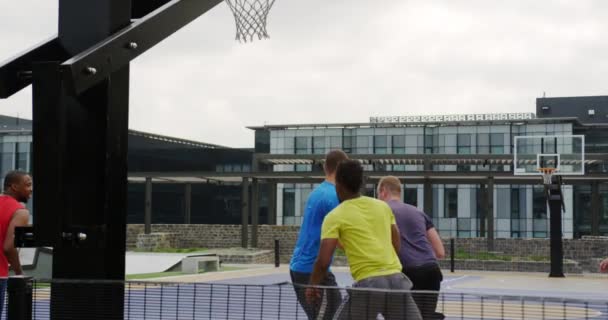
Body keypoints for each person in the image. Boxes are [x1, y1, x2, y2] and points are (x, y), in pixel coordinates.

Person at [306, 160, 422, 320]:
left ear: (338, 185)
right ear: (362, 183)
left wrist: (312, 285)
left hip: (369, 285)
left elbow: (323, 261)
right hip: (397, 281)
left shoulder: (334, 216)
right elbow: (396, 242)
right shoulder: (382, 207)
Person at [289, 150, 348, 320]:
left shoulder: (318, 192)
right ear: (342, 169)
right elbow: (340, 239)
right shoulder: (333, 197)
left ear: (325, 168)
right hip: (311, 270)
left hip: (309, 267)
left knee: (337, 314)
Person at [377, 176, 445, 320]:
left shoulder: (382, 210)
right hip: (431, 271)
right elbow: (440, 252)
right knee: (425, 316)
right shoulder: (419, 212)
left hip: (407, 273)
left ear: (383, 191)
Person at [0, 171, 32, 317]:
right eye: (28, 184)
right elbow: (8, 247)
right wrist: (19, 272)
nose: (31, 189)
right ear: (14, 187)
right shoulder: (20, 212)